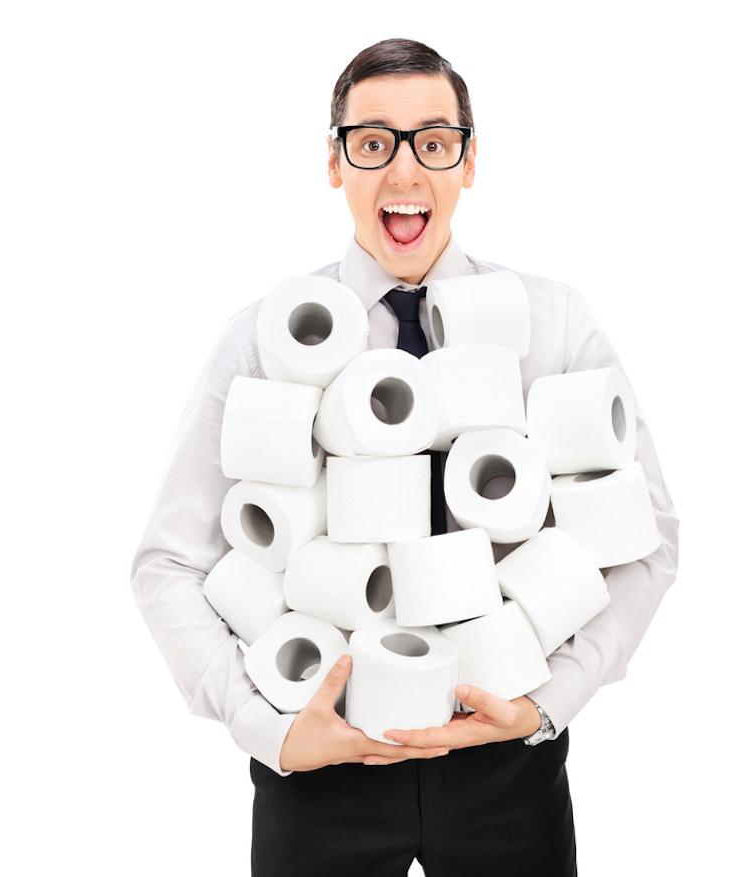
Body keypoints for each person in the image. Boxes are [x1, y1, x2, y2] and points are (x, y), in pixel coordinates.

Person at [130, 37, 680, 876]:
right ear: (334, 161)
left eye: (433, 140)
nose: (404, 170)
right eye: (372, 141)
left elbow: (648, 537)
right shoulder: (263, 339)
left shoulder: (553, 323)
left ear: (468, 159)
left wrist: (546, 703)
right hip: (324, 760)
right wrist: (272, 729)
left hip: (507, 760)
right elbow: (167, 561)